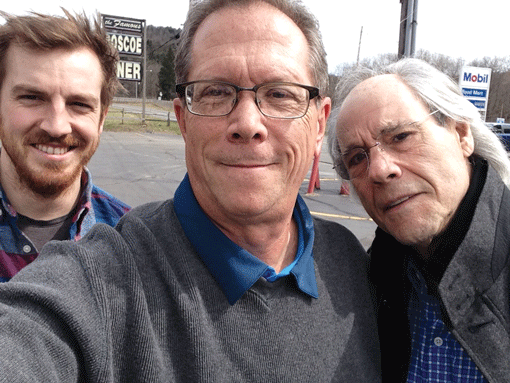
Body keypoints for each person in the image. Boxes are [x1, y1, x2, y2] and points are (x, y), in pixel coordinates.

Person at [0, 1, 381, 382]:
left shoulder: (357, 270)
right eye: (216, 91)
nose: (247, 124)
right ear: (183, 120)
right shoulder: (104, 277)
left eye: (280, 93)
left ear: (319, 124)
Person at [328, 58, 510, 383]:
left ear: (461, 134)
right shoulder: (369, 284)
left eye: (400, 137)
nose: (380, 169)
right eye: (357, 157)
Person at [0, 10, 130, 282]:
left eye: (79, 104)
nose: (57, 126)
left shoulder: (131, 241)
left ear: (101, 119)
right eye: (32, 97)